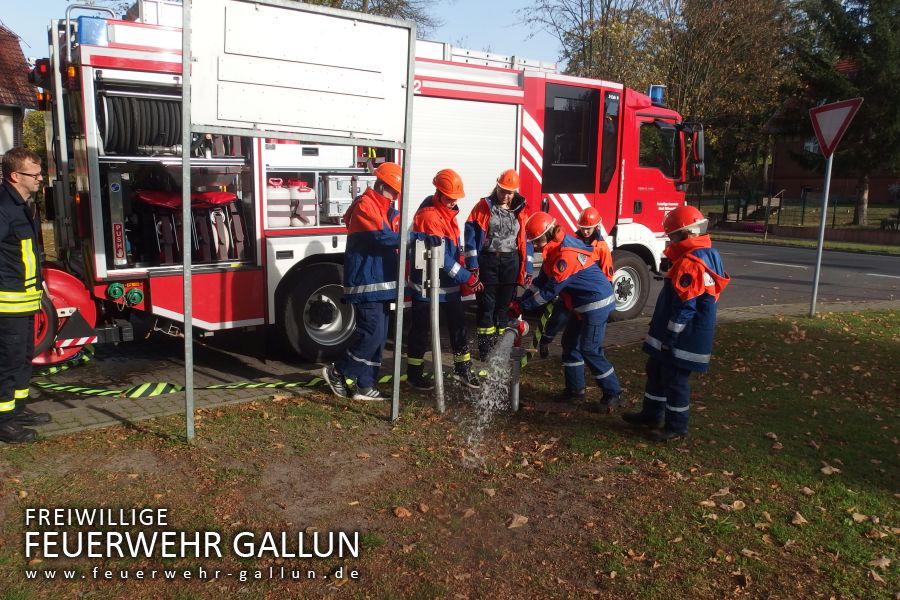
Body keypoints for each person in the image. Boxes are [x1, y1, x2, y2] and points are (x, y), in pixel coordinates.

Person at [622, 205, 729, 441]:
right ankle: (651, 415)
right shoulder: (703, 255)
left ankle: (676, 427)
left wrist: (670, 337)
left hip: (684, 338)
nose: (669, 240)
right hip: (681, 334)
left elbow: (685, 308)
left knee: (674, 379)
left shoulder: (690, 262)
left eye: (672, 235)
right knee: (656, 370)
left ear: (686, 234)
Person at [510, 212, 622, 408]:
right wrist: (521, 299)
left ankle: (614, 393)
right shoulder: (553, 252)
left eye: (537, 241)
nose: (535, 246)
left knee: (589, 349)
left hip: (597, 305)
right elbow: (540, 283)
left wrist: (523, 306)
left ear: (549, 233)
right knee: (570, 344)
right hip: (582, 305)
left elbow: (548, 292)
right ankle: (575, 390)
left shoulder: (565, 256)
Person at [323, 162, 403, 401]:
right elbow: (381, 237)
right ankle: (338, 371)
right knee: (371, 335)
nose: (396, 196)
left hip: (380, 284)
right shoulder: (365, 206)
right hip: (367, 283)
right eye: (393, 190)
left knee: (378, 339)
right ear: (381, 185)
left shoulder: (384, 209)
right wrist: (411, 238)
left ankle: (365, 385)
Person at [405, 168, 482, 390]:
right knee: (421, 330)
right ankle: (414, 375)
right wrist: (468, 278)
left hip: (446, 284)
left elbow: (451, 253)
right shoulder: (430, 216)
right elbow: (442, 259)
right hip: (427, 285)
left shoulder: (446, 213)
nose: (453, 202)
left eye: (455, 198)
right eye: (450, 198)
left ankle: (463, 370)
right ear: (438, 193)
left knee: (459, 327)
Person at [0, 148, 52, 443]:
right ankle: (3, 421)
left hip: (26, 301)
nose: (40, 179)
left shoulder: (21, 205)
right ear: (15, 175)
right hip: (7, 304)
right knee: (7, 362)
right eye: (35, 174)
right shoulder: (3, 207)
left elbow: (26, 253)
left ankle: (17, 409)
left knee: (23, 358)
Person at [463, 169, 532, 360]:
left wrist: (527, 267)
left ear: (515, 191)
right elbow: (470, 236)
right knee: (487, 306)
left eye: (510, 192)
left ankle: (501, 348)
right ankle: (486, 350)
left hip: (512, 261)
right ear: (497, 186)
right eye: (503, 190)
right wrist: (472, 264)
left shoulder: (522, 208)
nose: (506, 195)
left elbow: (526, 240)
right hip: (489, 260)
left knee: (504, 307)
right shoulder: (484, 206)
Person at [538, 206, 614, 358]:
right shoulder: (574, 241)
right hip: (568, 291)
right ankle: (545, 341)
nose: (585, 232)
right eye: (583, 228)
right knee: (558, 318)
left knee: (583, 332)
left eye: (589, 229)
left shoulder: (602, 248)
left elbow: (607, 275)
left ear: (596, 227)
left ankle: (576, 353)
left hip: (587, 294)